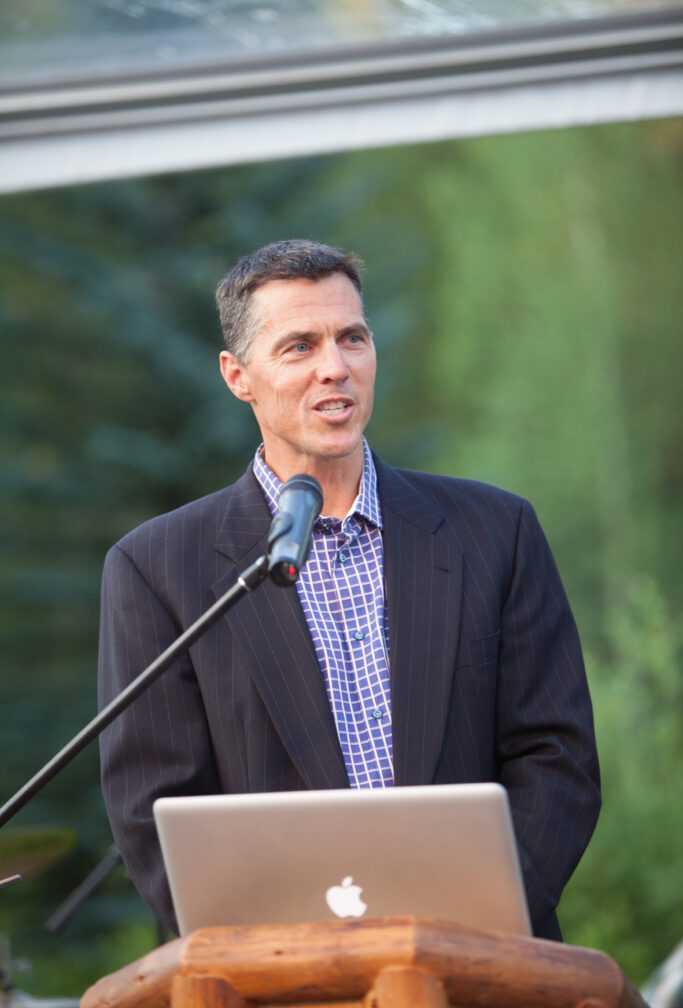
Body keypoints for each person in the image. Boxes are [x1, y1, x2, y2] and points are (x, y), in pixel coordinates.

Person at [98, 239, 600, 941]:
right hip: (277, 979)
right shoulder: (157, 570)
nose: (334, 368)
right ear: (238, 376)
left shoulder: (495, 530)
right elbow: (153, 812)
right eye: (298, 346)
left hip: (486, 960)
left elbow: (557, 758)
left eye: (352, 338)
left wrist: (470, 922)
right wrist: (289, 960)